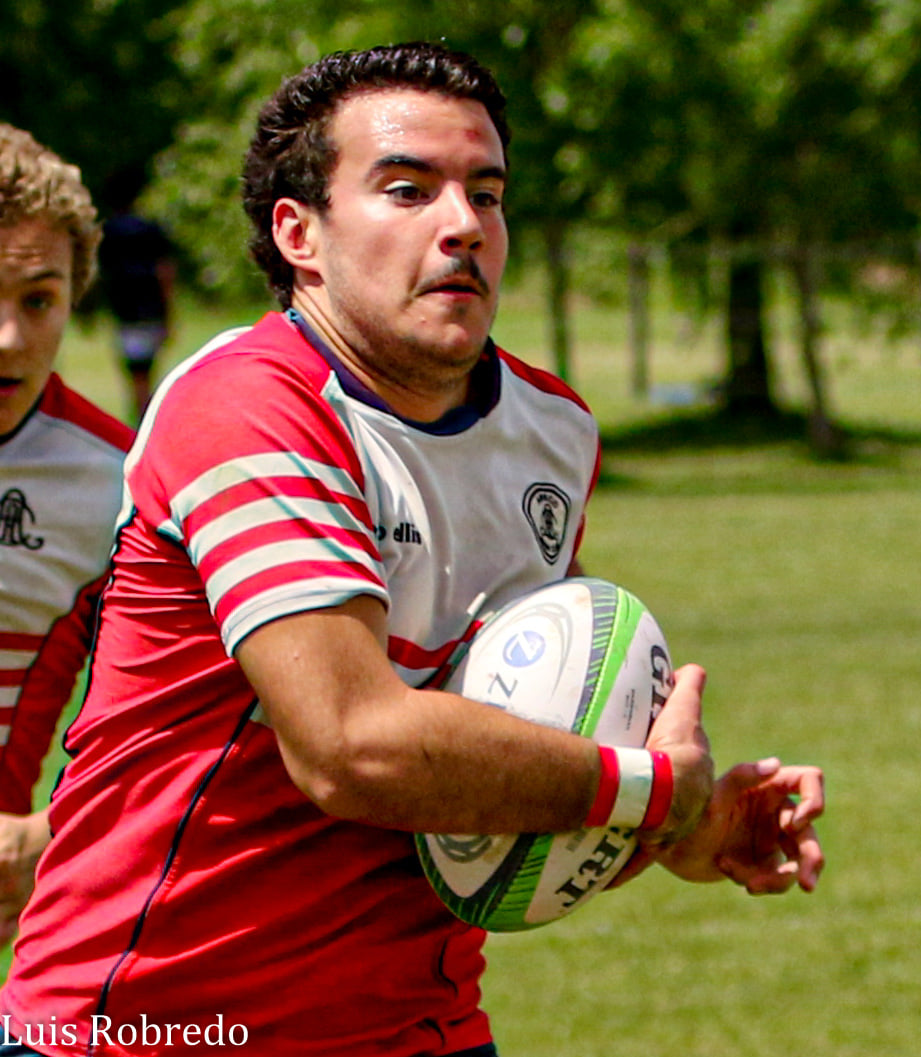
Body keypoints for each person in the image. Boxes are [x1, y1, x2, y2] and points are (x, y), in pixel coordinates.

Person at [0, 43, 823, 1057]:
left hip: (417, 1027)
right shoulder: (248, 407)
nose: (462, 224)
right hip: (151, 1024)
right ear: (298, 233)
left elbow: (501, 781)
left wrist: (680, 828)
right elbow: (350, 745)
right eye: (407, 189)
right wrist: (647, 786)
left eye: (487, 192)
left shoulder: (551, 432)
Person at [0, 125, 134, 941]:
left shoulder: (121, 481)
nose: (8, 339)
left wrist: (46, 831)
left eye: (37, 299)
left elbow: (178, 714)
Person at [98, 165, 175, 422]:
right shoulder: (150, 229)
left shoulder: (107, 232)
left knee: (135, 374)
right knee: (145, 371)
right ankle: (145, 418)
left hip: (124, 310)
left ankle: (141, 418)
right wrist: (169, 311)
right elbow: (165, 271)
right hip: (151, 308)